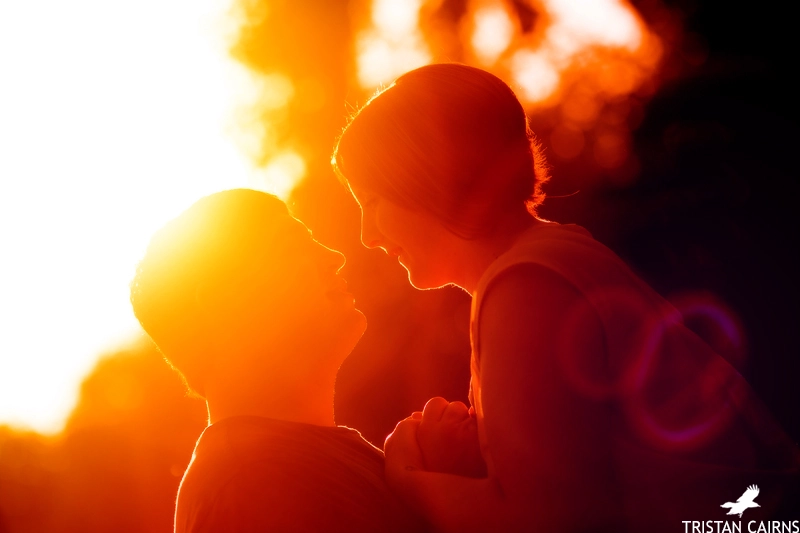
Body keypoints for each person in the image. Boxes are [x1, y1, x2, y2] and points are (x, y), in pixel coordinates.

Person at [331, 63, 800, 532]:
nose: (367, 236)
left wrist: (407, 478)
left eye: (372, 202)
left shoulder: (528, 285)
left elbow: (547, 520)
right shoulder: (546, 261)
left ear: (424, 176)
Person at [130, 189, 426, 533]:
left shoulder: (293, 462)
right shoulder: (250, 485)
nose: (334, 257)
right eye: (292, 246)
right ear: (222, 300)